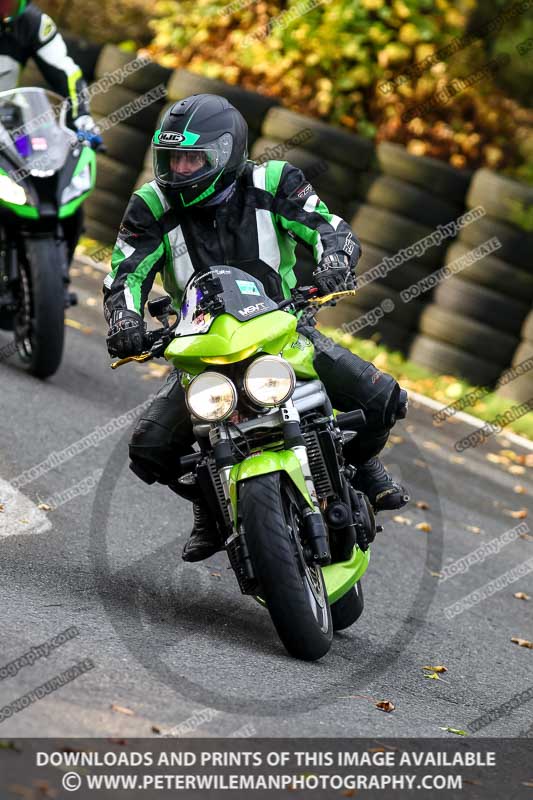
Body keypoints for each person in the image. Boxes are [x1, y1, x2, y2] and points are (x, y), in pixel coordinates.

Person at [103, 93, 409, 562]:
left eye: (193, 160)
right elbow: (126, 272)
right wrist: (124, 318)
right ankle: (210, 504)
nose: (181, 171)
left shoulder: (274, 180)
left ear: (227, 153)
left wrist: (335, 262)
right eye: (173, 161)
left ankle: (362, 462)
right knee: (149, 449)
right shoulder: (150, 204)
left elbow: (329, 228)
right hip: (201, 350)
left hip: (282, 331)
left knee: (383, 399)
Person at [0, 0, 100, 144]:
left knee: (28, 155)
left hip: (4, 118)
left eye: (6, 3)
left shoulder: (33, 22)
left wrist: (82, 119)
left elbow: (66, 72)